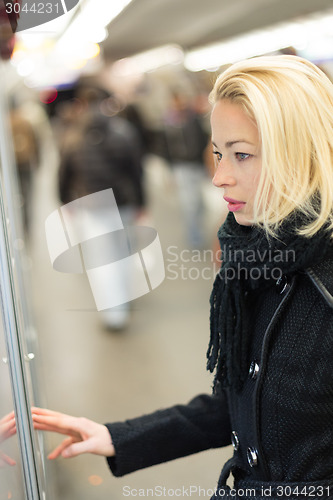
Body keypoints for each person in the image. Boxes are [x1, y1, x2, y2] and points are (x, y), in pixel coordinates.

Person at [32, 55, 333, 499]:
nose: (219, 176)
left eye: (242, 155)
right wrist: (119, 436)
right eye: (217, 154)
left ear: (300, 154)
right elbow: (241, 405)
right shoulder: (252, 267)